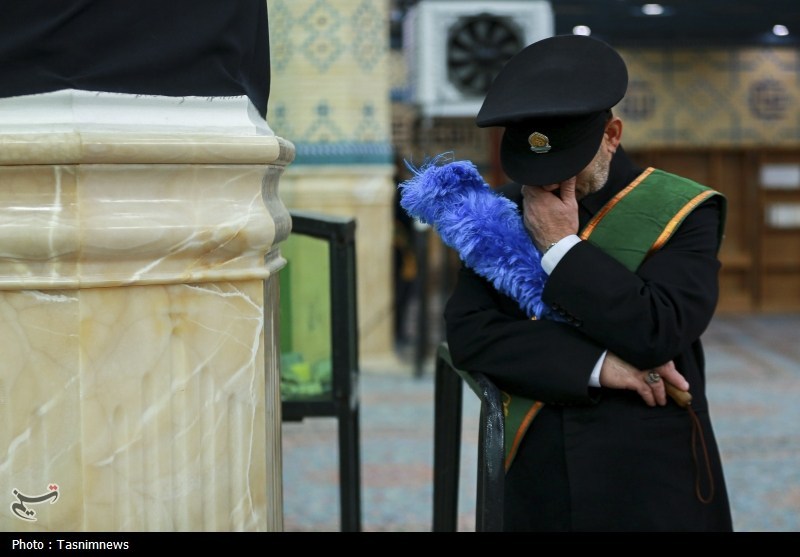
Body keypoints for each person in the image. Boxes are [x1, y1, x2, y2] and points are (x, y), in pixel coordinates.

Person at [443, 34, 734, 531]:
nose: (551, 184)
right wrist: (599, 365)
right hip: (540, 467)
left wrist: (561, 246)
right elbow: (470, 334)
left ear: (611, 135)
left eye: (567, 164)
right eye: (535, 168)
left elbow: (658, 329)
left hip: (651, 468)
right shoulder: (503, 211)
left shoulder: (684, 209)